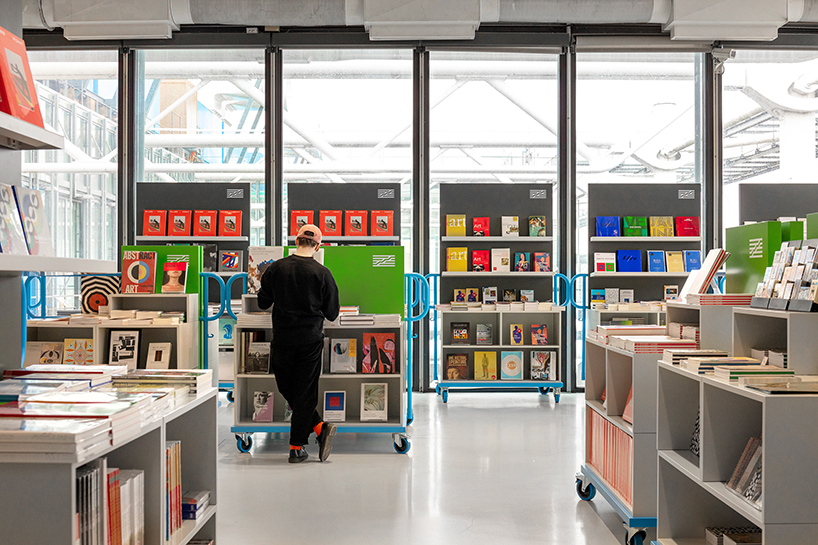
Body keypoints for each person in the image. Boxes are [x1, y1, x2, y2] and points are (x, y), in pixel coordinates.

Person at [258, 224, 340, 463]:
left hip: (282, 338)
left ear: (296, 241)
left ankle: (297, 446)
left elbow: (263, 303)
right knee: (303, 391)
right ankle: (318, 428)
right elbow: (332, 313)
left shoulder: (276, 268)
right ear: (318, 246)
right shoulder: (323, 273)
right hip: (310, 340)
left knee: (287, 388)